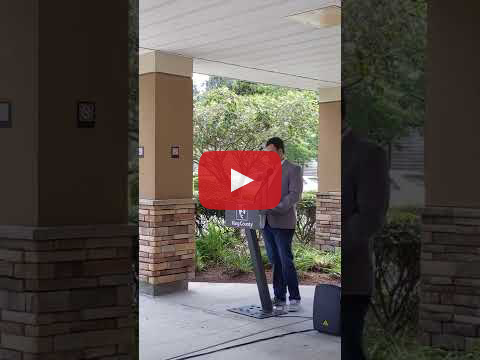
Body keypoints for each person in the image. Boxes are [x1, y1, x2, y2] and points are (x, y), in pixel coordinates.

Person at [341, 90, 390, 359]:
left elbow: (371, 216)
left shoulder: (368, 153)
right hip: (332, 281)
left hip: (352, 277)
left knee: (349, 350)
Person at [260, 137, 303, 312]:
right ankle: (279, 297)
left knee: (286, 261)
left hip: (283, 222)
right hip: (266, 222)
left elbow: (294, 196)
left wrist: (272, 207)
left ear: (280, 151)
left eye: (270, 153)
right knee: (274, 261)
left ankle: (294, 298)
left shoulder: (293, 169)